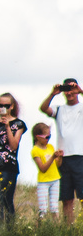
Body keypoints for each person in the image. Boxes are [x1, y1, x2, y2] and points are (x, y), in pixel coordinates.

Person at [40, 77, 83, 224]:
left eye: (72, 89)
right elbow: (44, 108)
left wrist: (81, 91)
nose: (69, 92)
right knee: (66, 198)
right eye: (67, 89)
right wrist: (53, 94)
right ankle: (69, 229)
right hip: (63, 158)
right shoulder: (59, 109)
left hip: (80, 156)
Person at [0, 92, 27, 227]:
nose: (3, 109)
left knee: (6, 200)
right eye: (0, 105)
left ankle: (10, 231)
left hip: (9, 166)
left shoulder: (18, 124)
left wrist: (8, 126)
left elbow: (14, 145)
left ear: (12, 106)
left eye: (6, 106)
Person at [30, 122, 63, 218]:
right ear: (38, 137)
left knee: (54, 207)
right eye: (46, 137)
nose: (48, 139)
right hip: (43, 181)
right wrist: (52, 157)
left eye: (49, 136)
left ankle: (56, 229)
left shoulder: (50, 147)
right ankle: (40, 229)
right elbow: (42, 168)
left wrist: (60, 157)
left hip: (55, 179)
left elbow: (58, 164)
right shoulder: (35, 151)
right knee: (43, 209)